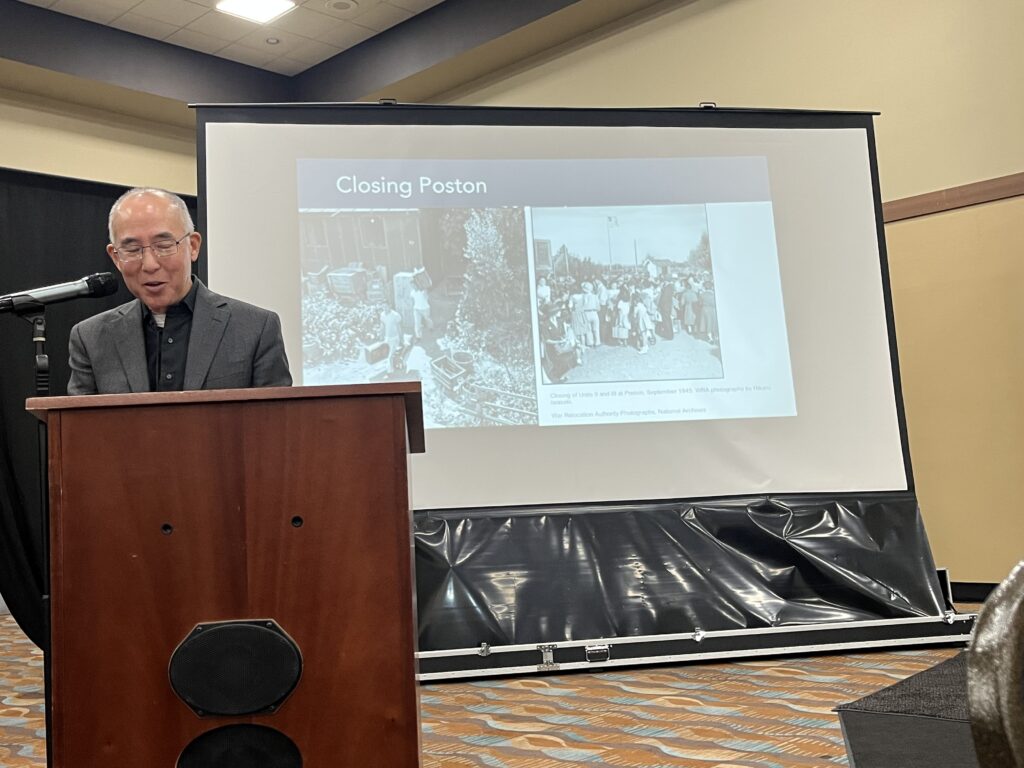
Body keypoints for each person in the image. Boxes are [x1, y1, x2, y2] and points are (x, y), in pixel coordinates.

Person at [67, 188, 292, 395]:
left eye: (164, 246)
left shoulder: (255, 328)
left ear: (193, 246)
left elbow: (275, 421)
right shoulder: (91, 338)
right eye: (133, 250)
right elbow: (79, 424)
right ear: (116, 257)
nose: (149, 264)